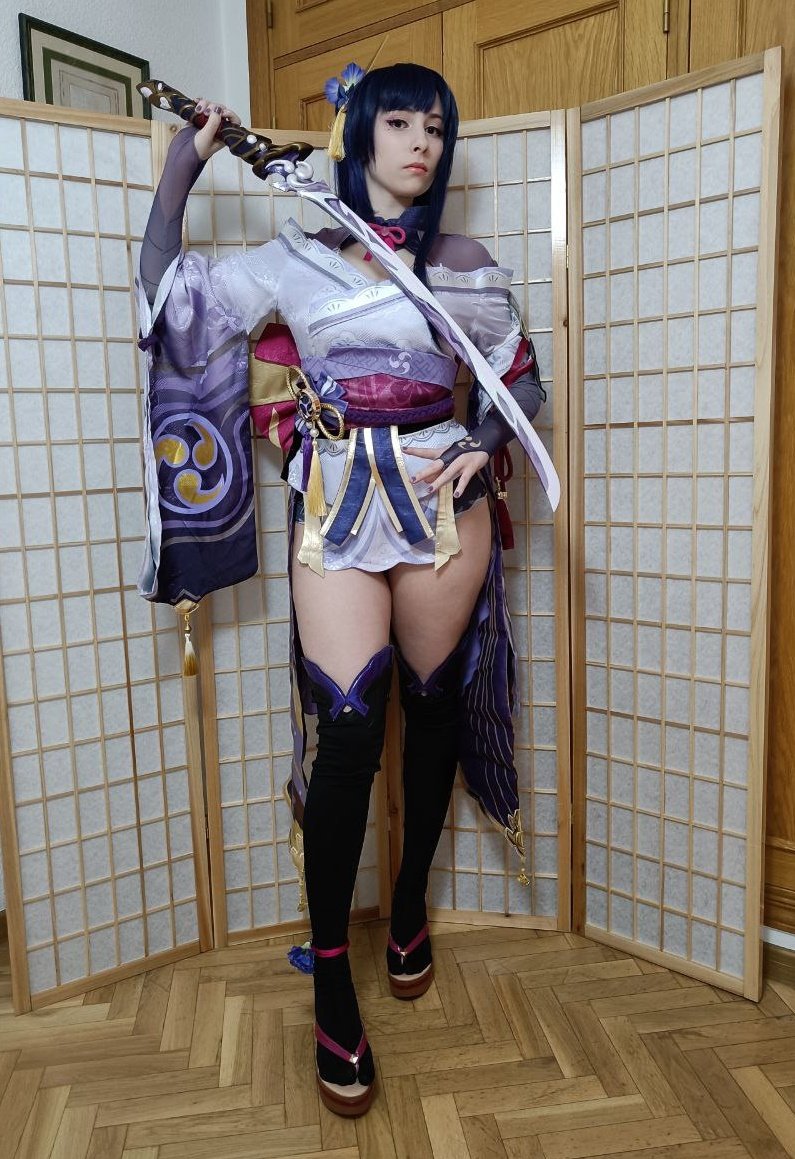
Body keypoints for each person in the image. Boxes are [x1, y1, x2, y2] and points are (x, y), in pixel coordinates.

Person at [138, 62, 546, 1117]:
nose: (421, 143)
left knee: (434, 706)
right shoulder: (295, 253)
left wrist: (487, 441)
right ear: (359, 131)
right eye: (399, 121)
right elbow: (170, 301)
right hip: (336, 500)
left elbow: (519, 379)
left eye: (436, 128)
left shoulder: (462, 264)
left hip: (441, 499)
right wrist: (185, 163)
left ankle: (407, 908)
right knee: (353, 731)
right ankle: (330, 973)